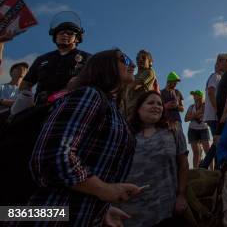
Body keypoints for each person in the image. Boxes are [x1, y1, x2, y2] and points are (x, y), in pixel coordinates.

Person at [24, 49, 140, 226]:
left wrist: (102, 210)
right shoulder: (89, 94)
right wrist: (105, 190)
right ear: (104, 65)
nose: (132, 65)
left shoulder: (113, 109)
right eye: (124, 59)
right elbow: (52, 156)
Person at [117, 91, 189, 226]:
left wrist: (181, 195)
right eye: (150, 103)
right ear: (138, 109)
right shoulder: (125, 133)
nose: (156, 106)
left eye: (159, 104)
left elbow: (183, 165)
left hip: (165, 209)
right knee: (63, 215)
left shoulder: (174, 130)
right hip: (130, 211)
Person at [20, 14, 90, 106]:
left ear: (77, 39)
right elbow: (26, 84)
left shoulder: (88, 58)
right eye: (60, 33)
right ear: (55, 37)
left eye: (69, 33)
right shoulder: (41, 59)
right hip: (40, 107)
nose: (64, 35)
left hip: (72, 106)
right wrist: (26, 100)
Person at [124, 49, 158, 116]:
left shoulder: (149, 71)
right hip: (127, 110)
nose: (140, 60)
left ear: (150, 62)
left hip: (139, 110)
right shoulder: (133, 76)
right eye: (138, 58)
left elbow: (134, 85)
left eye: (144, 58)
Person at [185, 90, 212, 168]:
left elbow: (207, 115)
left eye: (195, 95)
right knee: (196, 152)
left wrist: (193, 115)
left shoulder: (206, 106)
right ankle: (195, 171)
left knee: (208, 151)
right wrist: (196, 115)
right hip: (192, 130)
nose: (193, 97)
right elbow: (186, 119)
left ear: (200, 97)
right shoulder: (191, 106)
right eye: (193, 95)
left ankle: (213, 170)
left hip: (204, 129)